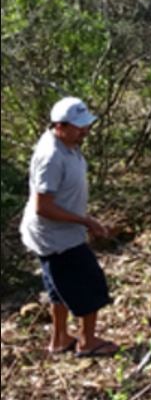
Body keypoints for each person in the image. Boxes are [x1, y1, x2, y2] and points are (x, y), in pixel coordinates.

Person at [19, 97, 119, 357]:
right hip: (55, 237)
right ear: (60, 126)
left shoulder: (67, 143)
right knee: (90, 283)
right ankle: (88, 342)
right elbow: (44, 206)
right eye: (78, 127)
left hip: (61, 233)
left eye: (85, 125)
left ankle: (60, 338)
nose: (84, 131)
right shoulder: (51, 156)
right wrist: (85, 221)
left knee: (58, 287)